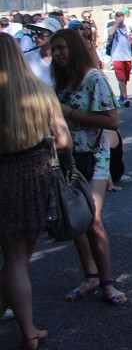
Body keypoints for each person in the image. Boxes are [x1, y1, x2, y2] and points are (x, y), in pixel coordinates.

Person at [0, 34, 71, 350]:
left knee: (15, 259)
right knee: (20, 259)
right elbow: (65, 140)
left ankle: (27, 330)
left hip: (3, 175)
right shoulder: (41, 92)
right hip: (35, 177)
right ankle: (29, 332)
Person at [51, 28, 127, 307]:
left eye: (62, 47)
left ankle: (107, 282)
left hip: (94, 154)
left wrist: (69, 113)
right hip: (67, 158)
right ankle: (90, 277)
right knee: (76, 221)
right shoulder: (59, 81)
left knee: (92, 220)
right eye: (54, 49)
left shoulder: (94, 78)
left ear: (74, 47)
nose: (57, 53)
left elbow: (112, 122)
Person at [105, 10, 132, 107]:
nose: (120, 18)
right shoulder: (112, 27)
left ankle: (122, 97)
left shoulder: (128, 28)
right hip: (117, 56)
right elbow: (110, 33)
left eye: (121, 16)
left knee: (125, 79)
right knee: (121, 79)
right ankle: (125, 98)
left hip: (127, 56)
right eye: (117, 16)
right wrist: (117, 23)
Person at [21, 17, 60, 86]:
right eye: (33, 32)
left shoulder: (63, 58)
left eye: (40, 32)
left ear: (54, 35)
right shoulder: (26, 58)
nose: (35, 36)